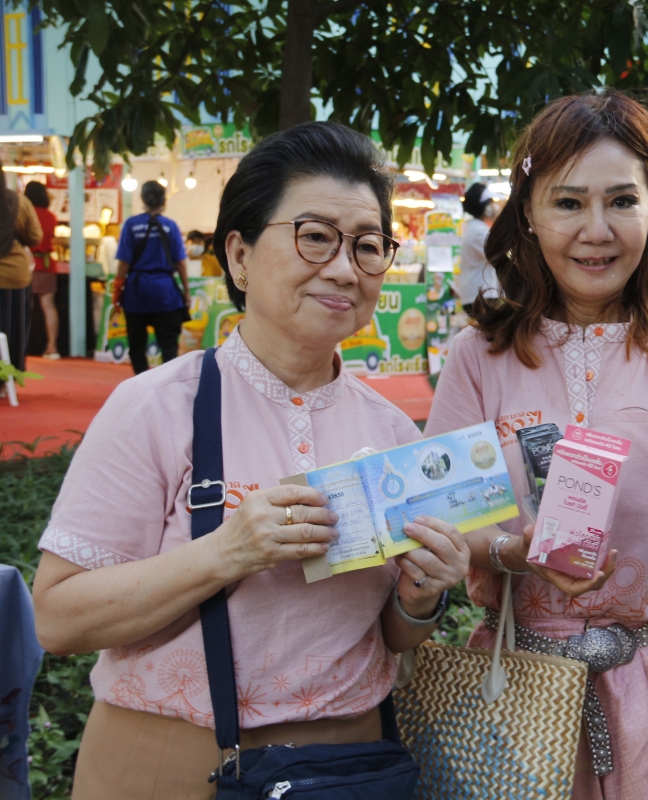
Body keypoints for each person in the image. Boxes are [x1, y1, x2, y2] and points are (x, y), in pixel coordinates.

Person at [30, 122, 471, 800]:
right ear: (239, 255)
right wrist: (227, 552)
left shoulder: (389, 429)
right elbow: (58, 618)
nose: (344, 268)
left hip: (349, 770)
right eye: (315, 236)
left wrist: (420, 599)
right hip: (171, 766)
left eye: (368, 245)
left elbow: (387, 635)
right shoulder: (156, 406)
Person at [425, 91, 648, 800]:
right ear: (530, 214)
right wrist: (515, 551)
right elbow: (439, 520)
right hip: (515, 687)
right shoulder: (478, 358)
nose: (597, 230)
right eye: (568, 203)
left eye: (622, 201)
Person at [113, 181, 190, 374]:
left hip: (136, 291)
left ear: (142, 199)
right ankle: (169, 382)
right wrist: (186, 292)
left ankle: (141, 380)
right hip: (166, 293)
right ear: (164, 200)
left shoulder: (131, 225)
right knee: (168, 344)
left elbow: (124, 263)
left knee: (137, 343)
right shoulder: (171, 226)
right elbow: (181, 263)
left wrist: (117, 289)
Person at [0, 165, 43, 373]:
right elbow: (35, 237)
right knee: (12, 330)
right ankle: (8, 378)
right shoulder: (19, 202)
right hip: (14, 276)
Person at [24, 181, 61, 359]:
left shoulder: (26, 212)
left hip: (27, 263)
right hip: (47, 264)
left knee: (24, 307)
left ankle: (22, 346)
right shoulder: (51, 216)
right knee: (49, 307)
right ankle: (52, 347)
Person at [455, 183, 500, 315]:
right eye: (491, 202)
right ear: (485, 207)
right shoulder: (479, 231)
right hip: (481, 295)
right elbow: (498, 254)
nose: (495, 206)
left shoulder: (475, 227)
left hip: (477, 294)